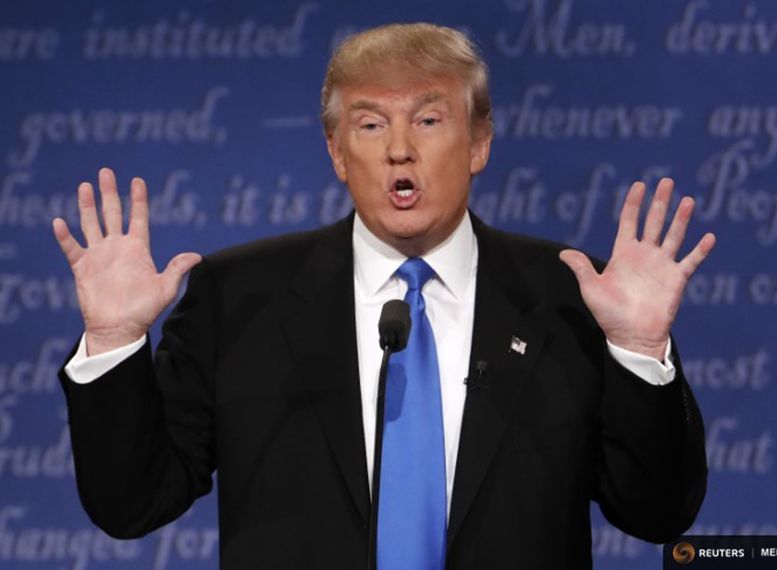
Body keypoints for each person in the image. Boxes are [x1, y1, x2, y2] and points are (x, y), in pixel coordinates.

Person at [54, 23, 715, 569]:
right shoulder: (238, 298)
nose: (400, 150)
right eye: (370, 126)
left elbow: (656, 514)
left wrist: (637, 350)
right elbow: (131, 505)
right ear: (337, 151)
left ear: (479, 141)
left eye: (429, 119)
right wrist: (114, 344)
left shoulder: (573, 299)